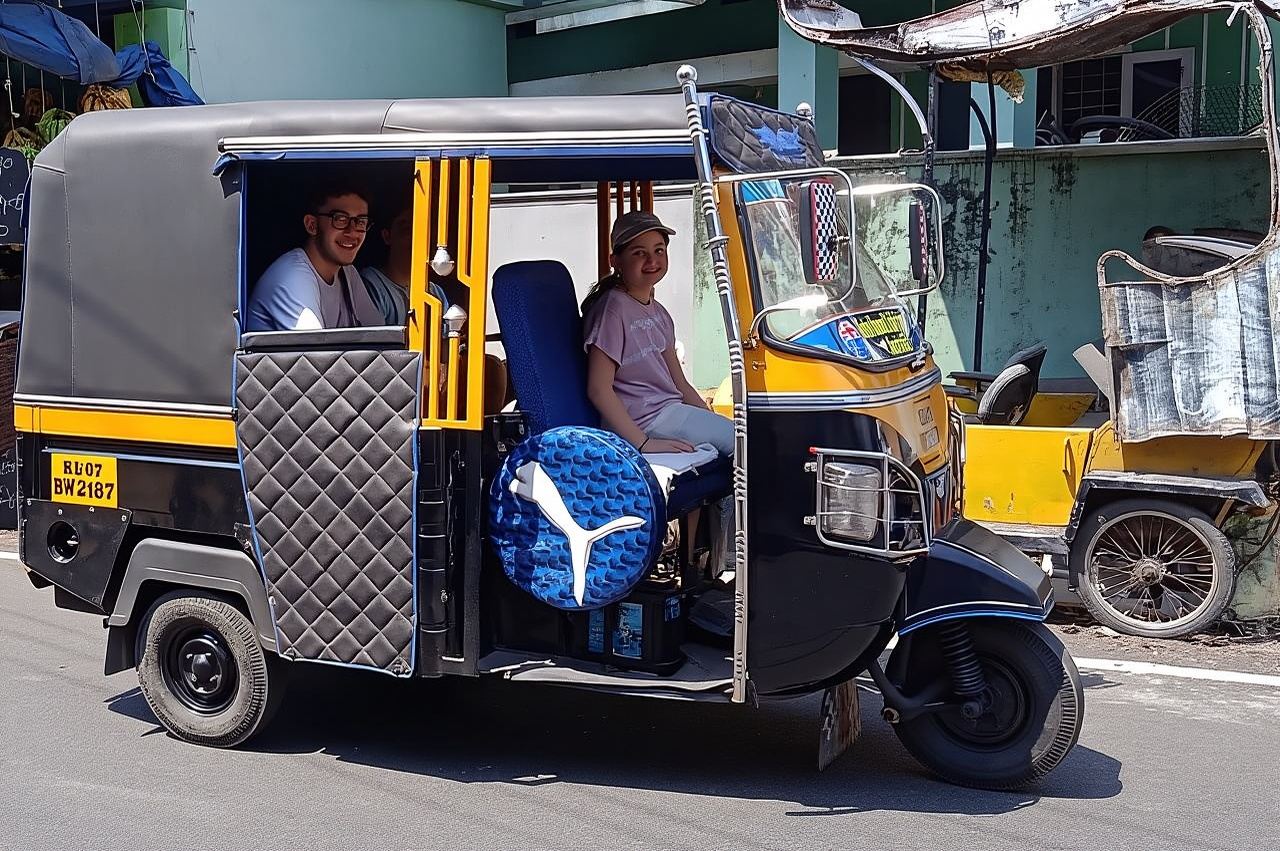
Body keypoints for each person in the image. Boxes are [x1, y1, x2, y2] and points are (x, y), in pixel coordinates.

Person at [583, 211, 733, 458]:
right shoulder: (612, 310)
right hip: (643, 421)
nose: (652, 260)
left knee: (740, 437)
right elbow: (598, 389)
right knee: (743, 445)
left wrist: (711, 420)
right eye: (639, 253)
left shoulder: (659, 313)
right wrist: (642, 443)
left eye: (659, 250)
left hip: (668, 412)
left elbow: (679, 382)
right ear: (615, 260)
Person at [245, 182, 384, 332]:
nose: (352, 232)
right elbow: (315, 350)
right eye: (340, 219)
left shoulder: (348, 273)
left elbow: (381, 332)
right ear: (311, 225)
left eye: (360, 222)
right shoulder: (293, 275)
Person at [361, 195, 448, 325]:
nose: (415, 237)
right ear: (387, 236)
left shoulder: (435, 292)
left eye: (421, 229)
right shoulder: (371, 283)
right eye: (406, 229)